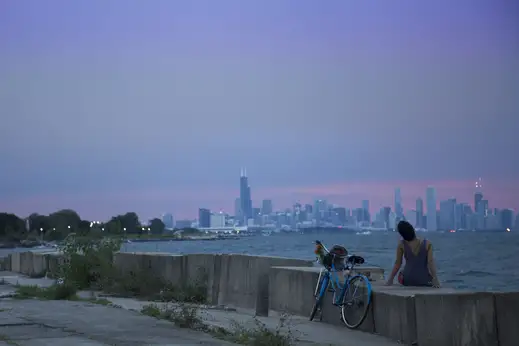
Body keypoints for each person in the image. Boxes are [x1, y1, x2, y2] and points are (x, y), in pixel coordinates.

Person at [385, 220, 440, 287]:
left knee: (402, 272)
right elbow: (430, 262)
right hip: (424, 280)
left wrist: (390, 280)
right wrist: (435, 280)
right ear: (412, 229)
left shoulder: (401, 244)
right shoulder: (427, 244)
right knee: (427, 275)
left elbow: (398, 263)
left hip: (407, 280)